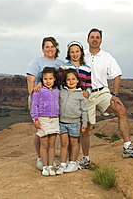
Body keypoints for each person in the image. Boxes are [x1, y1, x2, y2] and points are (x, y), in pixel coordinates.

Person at [80, 28, 133, 167]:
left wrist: (115, 94)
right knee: (85, 127)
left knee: (121, 110)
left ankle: (127, 147)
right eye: (92, 37)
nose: (95, 39)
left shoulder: (107, 57)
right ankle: (85, 158)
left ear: (101, 40)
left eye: (97, 37)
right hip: (86, 95)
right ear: (87, 40)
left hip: (102, 92)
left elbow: (117, 75)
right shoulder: (81, 56)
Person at [26, 37, 64, 171]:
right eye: (47, 47)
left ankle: (49, 160)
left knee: (52, 133)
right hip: (39, 101)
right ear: (43, 49)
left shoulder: (61, 63)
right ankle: (41, 159)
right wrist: (34, 97)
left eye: (52, 46)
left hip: (54, 104)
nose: (50, 49)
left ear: (56, 48)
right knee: (41, 132)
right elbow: (31, 81)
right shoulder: (36, 62)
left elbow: (62, 81)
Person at [56, 69, 88, 174]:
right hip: (63, 122)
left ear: (78, 80)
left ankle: (73, 162)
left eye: (73, 79)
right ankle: (63, 164)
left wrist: (84, 123)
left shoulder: (81, 94)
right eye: (68, 79)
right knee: (64, 144)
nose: (71, 81)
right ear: (65, 81)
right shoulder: (62, 92)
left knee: (74, 144)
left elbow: (84, 110)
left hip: (75, 123)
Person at [31, 67, 60, 176]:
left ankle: (51, 166)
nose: (48, 81)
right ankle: (45, 166)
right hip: (43, 119)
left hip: (55, 119)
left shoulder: (57, 90)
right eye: (45, 79)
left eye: (50, 78)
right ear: (41, 79)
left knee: (52, 145)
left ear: (54, 79)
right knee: (44, 145)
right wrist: (35, 119)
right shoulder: (38, 91)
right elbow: (35, 105)